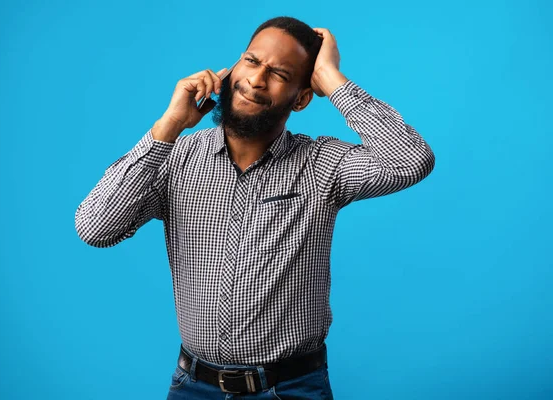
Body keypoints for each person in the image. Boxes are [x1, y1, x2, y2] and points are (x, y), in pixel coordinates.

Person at [75, 16, 435, 400]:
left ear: (301, 98)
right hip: (193, 387)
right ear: (231, 70)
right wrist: (169, 125)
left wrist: (331, 77)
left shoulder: (322, 165)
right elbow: (96, 228)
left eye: (279, 73)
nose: (257, 80)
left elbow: (410, 160)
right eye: (251, 61)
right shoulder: (175, 157)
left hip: (291, 388)